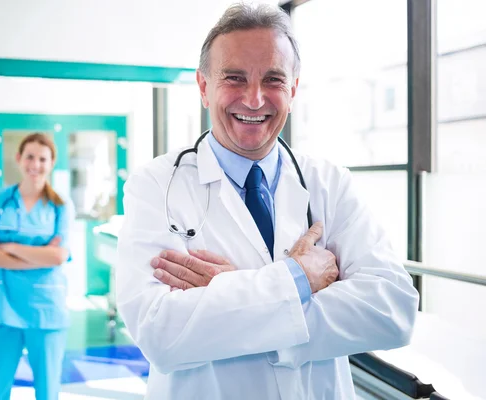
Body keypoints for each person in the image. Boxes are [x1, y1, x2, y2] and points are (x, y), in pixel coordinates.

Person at [116, 3, 419, 400]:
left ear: (292, 90)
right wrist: (299, 279)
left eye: (273, 79)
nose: (255, 99)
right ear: (204, 87)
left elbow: (392, 310)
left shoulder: (330, 183)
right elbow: (160, 333)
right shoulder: (157, 185)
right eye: (234, 78)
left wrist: (232, 297)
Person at [0, 133, 74, 399]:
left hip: (46, 310)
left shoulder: (61, 206)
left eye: (43, 158)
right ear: (18, 159)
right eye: (30, 156)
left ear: (52, 163)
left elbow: (58, 257)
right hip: (4, 307)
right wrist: (40, 254)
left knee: (47, 391)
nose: (35, 164)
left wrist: (11, 248)